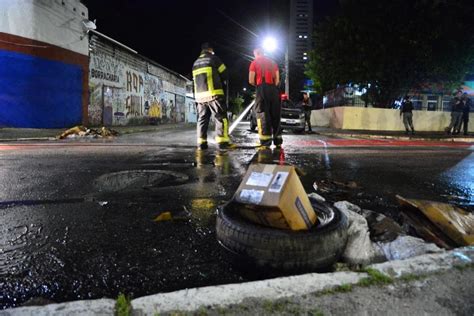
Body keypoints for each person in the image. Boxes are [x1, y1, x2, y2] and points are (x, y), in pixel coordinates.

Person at [192, 42, 233, 149]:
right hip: (214, 94)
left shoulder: (195, 63)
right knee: (220, 117)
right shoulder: (213, 59)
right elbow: (225, 73)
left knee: (202, 119)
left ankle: (201, 143)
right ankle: (222, 142)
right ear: (210, 50)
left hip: (200, 97)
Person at [249, 47, 281, 149]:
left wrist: (258, 87)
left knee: (262, 114)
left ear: (256, 53)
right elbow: (277, 80)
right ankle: (278, 141)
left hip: (261, 89)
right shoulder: (273, 62)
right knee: (275, 115)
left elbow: (251, 80)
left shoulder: (254, 63)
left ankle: (265, 142)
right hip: (274, 91)